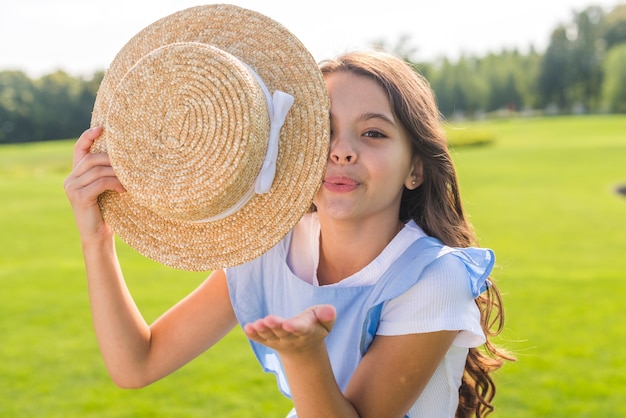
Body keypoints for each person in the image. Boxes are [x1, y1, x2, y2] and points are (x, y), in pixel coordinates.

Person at [64, 6, 512, 418]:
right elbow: (136, 364)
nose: (342, 151)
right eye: (325, 130)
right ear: (298, 148)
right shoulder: (269, 248)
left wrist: (303, 355)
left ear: (415, 168)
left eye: (373, 133)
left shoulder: (433, 277)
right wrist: (96, 239)